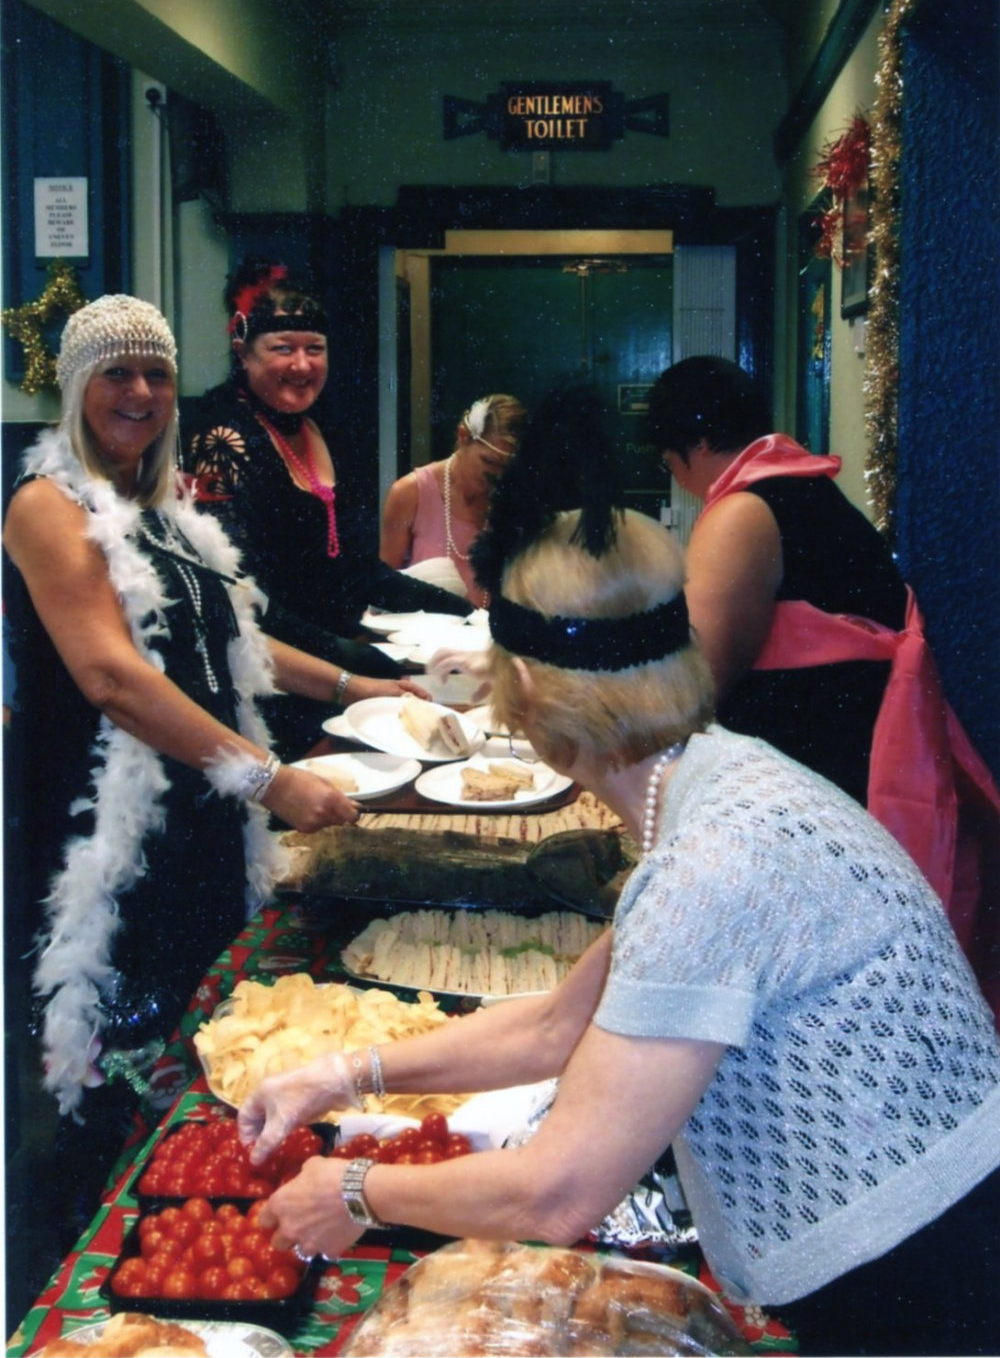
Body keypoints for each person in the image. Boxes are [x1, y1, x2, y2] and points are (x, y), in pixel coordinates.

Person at [239, 423, 1000, 1358]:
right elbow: (555, 1025)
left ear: (532, 697)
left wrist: (356, 1192)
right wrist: (341, 1076)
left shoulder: (709, 865)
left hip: (924, 1275)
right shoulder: (717, 777)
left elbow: (557, 1192)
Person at [1, 295, 421, 1245]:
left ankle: (199, 1232)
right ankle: (81, 1263)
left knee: (197, 1049)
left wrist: (363, 686)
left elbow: (241, 637)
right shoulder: (46, 506)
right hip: (103, 834)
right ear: (75, 387)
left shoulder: (165, 509)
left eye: (156, 373)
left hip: (198, 813)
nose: (141, 392)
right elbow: (112, 678)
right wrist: (271, 778)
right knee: (110, 1067)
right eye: (116, 373)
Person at [646, 355, 1000, 1020]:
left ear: (695, 443)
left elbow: (698, 681)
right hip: (856, 751)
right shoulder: (805, 487)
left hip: (821, 765)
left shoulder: (743, 510)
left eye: (670, 459)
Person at [185, 261, 470, 757]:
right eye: (283, 348)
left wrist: (470, 614)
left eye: (314, 348)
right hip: (273, 685)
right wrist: (356, 660)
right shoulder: (224, 440)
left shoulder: (321, 429)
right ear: (243, 352)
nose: (302, 365)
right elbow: (245, 600)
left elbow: (357, 570)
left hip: (336, 672)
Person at [379, 393, 525, 605]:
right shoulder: (410, 493)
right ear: (463, 436)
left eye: (506, 467)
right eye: (489, 461)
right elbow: (384, 588)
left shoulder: (510, 502)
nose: (498, 475)